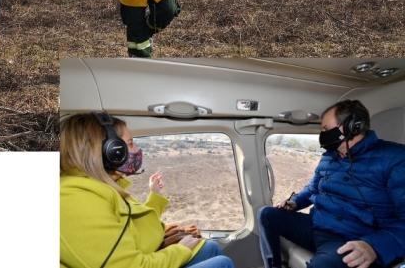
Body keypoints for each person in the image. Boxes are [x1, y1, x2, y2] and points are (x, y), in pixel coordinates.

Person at [60, 112, 235, 268]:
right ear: (110, 153)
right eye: (130, 144)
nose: (137, 151)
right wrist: (180, 250)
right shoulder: (75, 199)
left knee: (211, 247)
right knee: (222, 264)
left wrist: (155, 199)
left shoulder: (104, 186)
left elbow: (136, 228)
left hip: (146, 255)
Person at [258, 100, 405, 268]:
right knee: (266, 214)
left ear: (352, 126)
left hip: (352, 236)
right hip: (317, 224)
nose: (322, 134)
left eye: (326, 129)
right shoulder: (329, 156)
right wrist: (296, 202)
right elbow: (313, 188)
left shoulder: (396, 158)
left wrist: (374, 245)